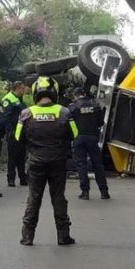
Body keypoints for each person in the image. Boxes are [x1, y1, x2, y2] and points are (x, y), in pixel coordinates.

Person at [15, 76, 79, 246]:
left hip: (36, 162)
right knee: (58, 198)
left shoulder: (26, 113)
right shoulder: (65, 112)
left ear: (36, 92)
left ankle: (27, 236)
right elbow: (75, 134)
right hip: (58, 161)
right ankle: (63, 236)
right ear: (55, 92)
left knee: (33, 198)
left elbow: (17, 138)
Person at [68, 86, 110, 200]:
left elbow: (68, 124)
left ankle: (85, 192)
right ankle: (104, 192)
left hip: (78, 138)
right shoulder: (95, 106)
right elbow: (101, 122)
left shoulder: (73, 107)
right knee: (98, 165)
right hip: (92, 138)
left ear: (75, 96)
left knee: (81, 165)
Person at [0, 81, 28, 187]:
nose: (24, 91)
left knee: (21, 157)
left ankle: (22, 178)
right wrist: (9, 130)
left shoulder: (19, 99)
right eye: (23, 88)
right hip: (13, 133)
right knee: (13, 157)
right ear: (18, 88)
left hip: (21, 132)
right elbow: (6, 118)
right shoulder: (8, 99)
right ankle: (11, 179)